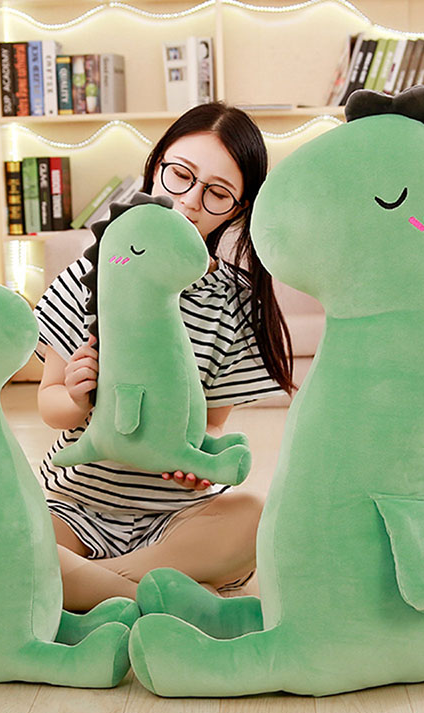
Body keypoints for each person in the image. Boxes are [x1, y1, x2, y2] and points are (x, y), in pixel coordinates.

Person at [33, 102, 294, 611]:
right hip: (72, 506)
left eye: (217, 193)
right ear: (155, 166)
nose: (190, 201)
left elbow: (211, 424)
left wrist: (199, 464)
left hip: (176, 519)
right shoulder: (92, 273)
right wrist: (75, 395)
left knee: (256, 517)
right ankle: (162, 597)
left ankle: (92, 588)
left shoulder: (234, 303)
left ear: (238, 210)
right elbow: (50, 404)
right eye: (181, 175)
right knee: (10, 533)